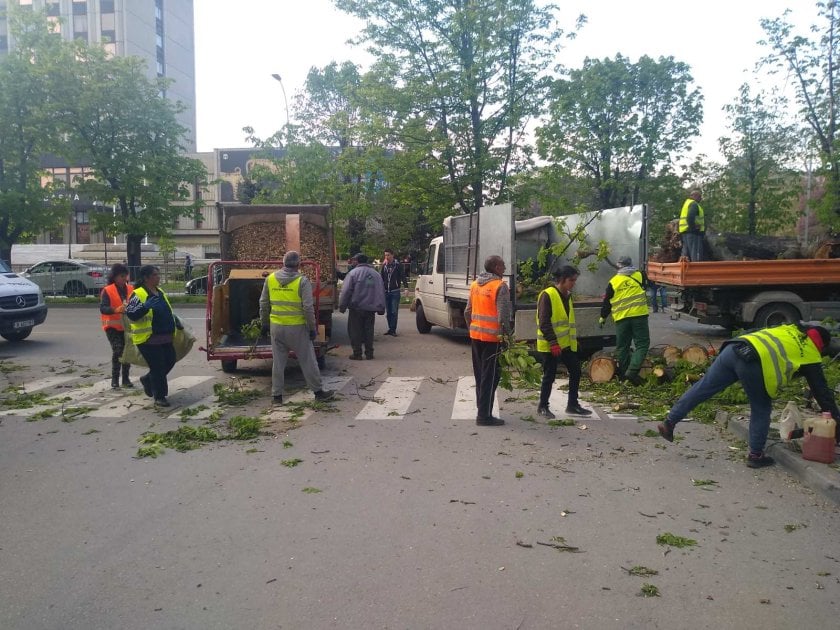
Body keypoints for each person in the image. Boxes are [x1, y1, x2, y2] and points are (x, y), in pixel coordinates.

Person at [658, 323, 840, 467]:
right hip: (752, 364)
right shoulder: (810, 355)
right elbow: (822, 393)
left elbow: (755, 331)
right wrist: (836, 425)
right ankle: (755, 455)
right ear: (822, 345)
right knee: (761, 407)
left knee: (703, 387)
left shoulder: (789, 329)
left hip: (735, 348)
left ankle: (670, 421)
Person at [259, 251, 334, 405]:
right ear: (298, 264)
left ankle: (276, 396)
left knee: (278, 363)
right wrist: (312, 328)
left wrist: (264, 323)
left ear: (283, 263)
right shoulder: (302, 281)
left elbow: (263, 303)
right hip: (297, 328)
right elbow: (308, 307)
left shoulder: (270, 279)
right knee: (308, 360)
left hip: (277, 327)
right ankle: (319, 392)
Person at [536, 265, 592, 419]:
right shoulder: (547, 295)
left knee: (576, 371)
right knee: (550, 375)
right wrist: (553, 342)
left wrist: (574, 341)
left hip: (566, 344)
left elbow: (567, 321)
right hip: (550, 345)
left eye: (575, 280)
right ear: (561, 279)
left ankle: (572, 405)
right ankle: (542, 406)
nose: (573, 283)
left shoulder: (568, 295)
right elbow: (544, 322)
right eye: (571, 280)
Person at [464, 255, 512, 426]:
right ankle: (484, 416)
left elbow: (467, 311)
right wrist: (507, 337)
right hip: (493, 339)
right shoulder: (500, 286)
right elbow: (503, 317)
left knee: (480, 376)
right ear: (497, 268)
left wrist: (473, 328)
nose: (505, 268)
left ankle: (482, 408)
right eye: (503, 265)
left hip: (476, 337)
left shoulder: (475, 285)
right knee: (490, 377)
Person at [125, 265, 181, 407]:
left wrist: (175, 320)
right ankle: (159, 396)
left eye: (158, 274)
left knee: (170, 360)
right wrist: (145, 307)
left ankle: (147, 379)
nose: (158, 277)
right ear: (146, 278)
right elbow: (131, 314)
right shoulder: (138, 294)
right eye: (155, 275)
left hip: (165, 336)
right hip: (148, 338)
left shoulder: (160, 291)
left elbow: (166, 309)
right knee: (158, 366)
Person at [599, 256, 650, 386]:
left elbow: (607, 301)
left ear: (619, 266)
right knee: (642, 344)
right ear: (631, 264)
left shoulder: (613, 281)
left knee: (622, 347)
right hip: (639, 316)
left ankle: (623, 376)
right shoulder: (639, 275)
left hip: (621, 319)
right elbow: (646, 286)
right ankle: (632, 373)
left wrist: (603, 317)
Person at [339, 253, 386, 360]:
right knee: (369, 331)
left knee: (355, 331)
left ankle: (357, 353)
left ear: (358, 261)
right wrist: (381, 307)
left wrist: (342, 306)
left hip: (356, 308)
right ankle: (369, 353)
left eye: (354, 260)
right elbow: (381, 291)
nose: (353, 262)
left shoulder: (353, 274)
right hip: (370, 309)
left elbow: (346, 291)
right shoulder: (376, 274)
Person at [99, 262, 134, 389]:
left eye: (126, 276)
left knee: (127, 352)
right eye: (122, 276)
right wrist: (115, 310)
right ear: (114, 277)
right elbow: (103, 308)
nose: (124, 278)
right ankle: (115, 379)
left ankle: (125, 378)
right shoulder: (107, 290)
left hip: (127, 327)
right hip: (112, 327)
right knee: (118, 351)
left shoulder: (130, 289)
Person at [380, 247, 407, 336]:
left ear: (392, 255)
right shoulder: (384, 266)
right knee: (388, 312)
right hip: (386, 291)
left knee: (394, 311)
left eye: (388, 255)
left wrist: (406, 288)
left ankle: (393, 329)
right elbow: (381, 278)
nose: (386, 257)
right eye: (385, 255)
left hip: (395, 291)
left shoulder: (397, 265)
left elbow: (403, 276)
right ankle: (390, 328)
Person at [679, 189, 706, 261]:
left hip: (685, 232)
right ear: (695, 196)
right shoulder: (694, 204)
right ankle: (697, 271)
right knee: (696, 254)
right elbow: (690, 217)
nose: (701, 198)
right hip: (693, 233)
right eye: (700, 197)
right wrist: (694, 228)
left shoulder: (687, 204)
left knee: (685, 254)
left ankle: (684, 270)